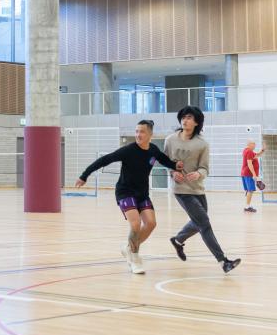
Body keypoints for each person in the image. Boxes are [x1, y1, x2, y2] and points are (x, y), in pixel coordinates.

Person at [74, 119, 183, 274]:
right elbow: (104, 160)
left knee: (151, 223)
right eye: (137, 131)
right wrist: (84, 175)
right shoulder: (128, 150)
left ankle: (128, 247)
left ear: (150, 134)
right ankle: (134, 258)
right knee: (136, 224)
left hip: (142, 193)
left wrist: (175, 165)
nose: (138, 134)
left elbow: (164, 160)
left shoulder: (153, 150)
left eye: (142, 131)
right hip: (125, 192)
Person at [165, 106, 241, 274]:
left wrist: (199, 174)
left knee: (199, 222)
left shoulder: (202, 144)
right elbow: (165, 162)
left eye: (189, 117)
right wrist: (172, 172)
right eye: (183, 117)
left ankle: (178, 240)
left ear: (197, 122)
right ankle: (223, 262)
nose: (185, 120)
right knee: (204, 224)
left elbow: (205, 168)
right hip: (181, 190)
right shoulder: (170, 140)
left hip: (198, 189)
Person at [240, 139, 266, 212]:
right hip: (249, 174)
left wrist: (262, 150)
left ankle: (247, 204)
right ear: (249, 144)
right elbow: (249, 163)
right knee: (250, 190)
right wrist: (254, 175)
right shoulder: (249, 151)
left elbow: (256, 156)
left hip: (245, 173)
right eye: (253, 144)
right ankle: (247, 207)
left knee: (249, 190)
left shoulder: (246, 151)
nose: (255, 145)